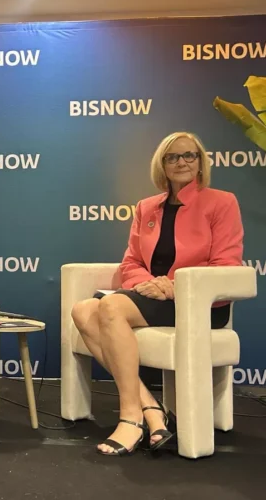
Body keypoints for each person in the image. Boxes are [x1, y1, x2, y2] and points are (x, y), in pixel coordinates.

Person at [71, 132, 244, 456]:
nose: (181, 162)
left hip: (201, 304)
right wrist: (150, 285)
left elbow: (225, 263)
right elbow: (132, 262)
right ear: (162, 165)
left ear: (201, 161)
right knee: (82, 310)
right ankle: (150, 408)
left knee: (109, 307)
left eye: (189, 155)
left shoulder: (222, 202)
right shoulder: (147, 207)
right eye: (173, 157)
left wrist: (173, 287)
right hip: (152, 296)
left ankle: (130, 417)